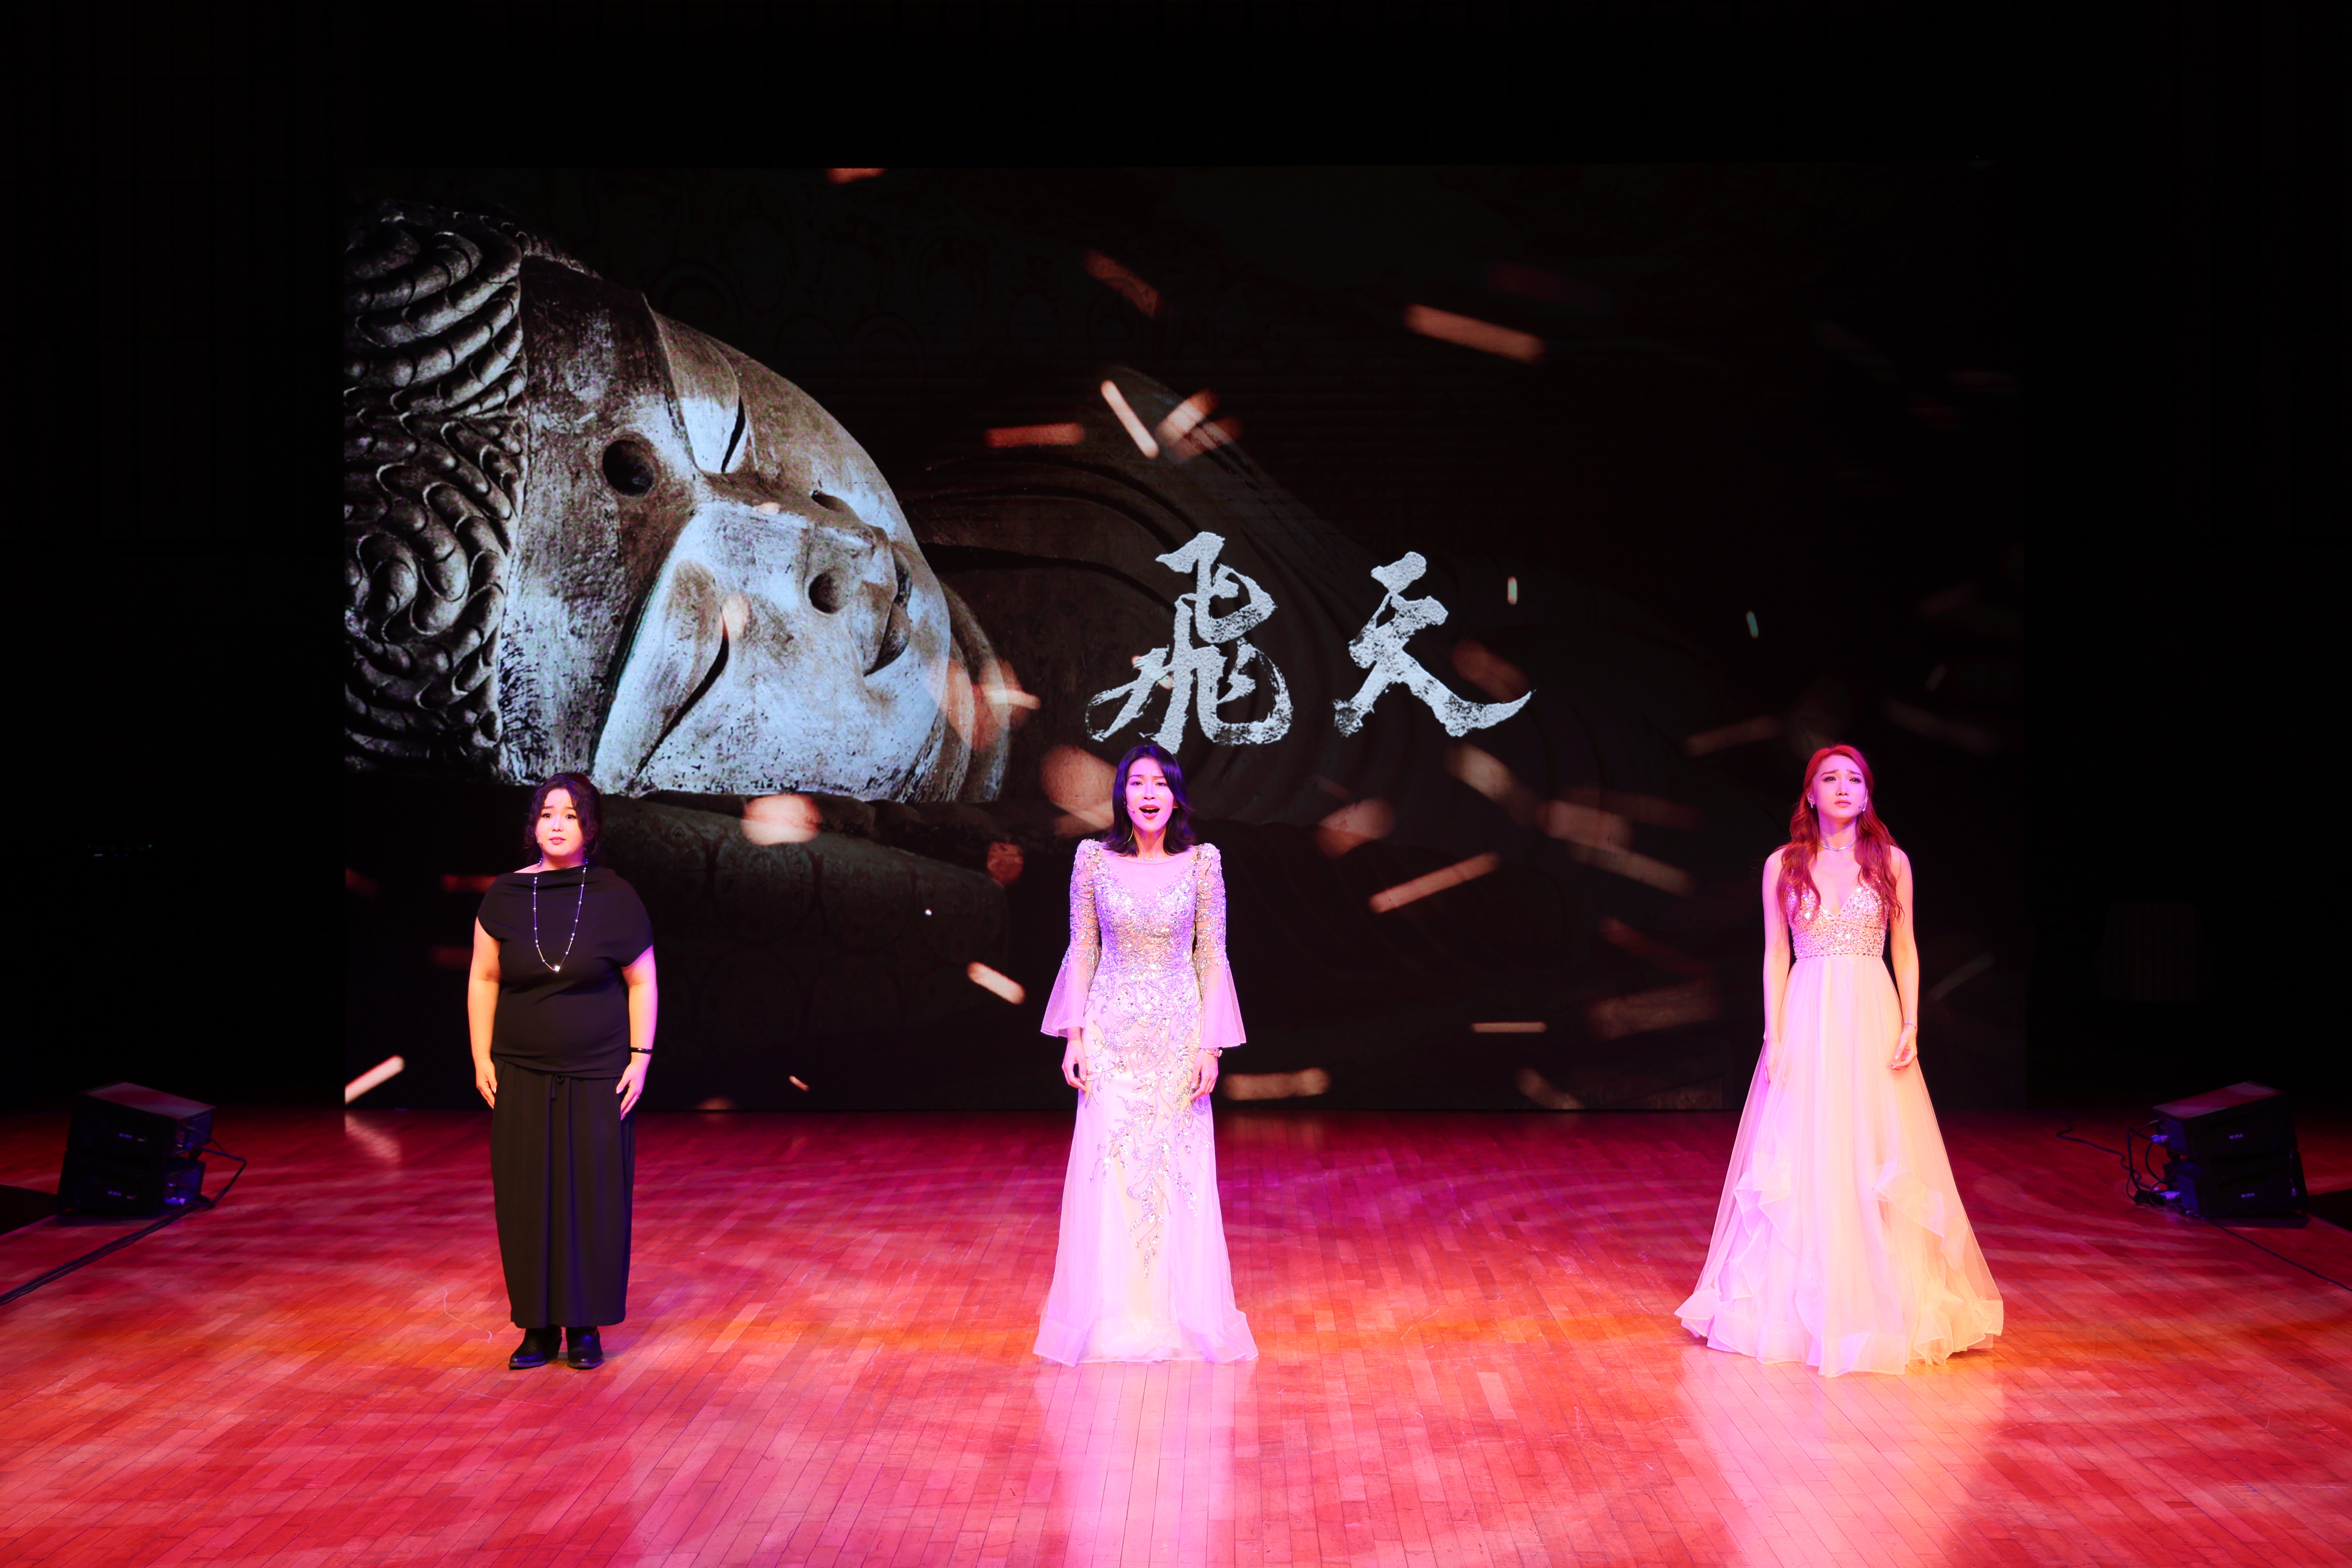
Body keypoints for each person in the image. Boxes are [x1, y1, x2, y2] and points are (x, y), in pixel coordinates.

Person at [1675, 745, 2003, 1376]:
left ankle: (1885, 1297)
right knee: (1807, 1146)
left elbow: (1904, 947)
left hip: (1871, 1010)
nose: (1844, 788)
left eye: (1855, 779)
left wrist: (1911, 1021)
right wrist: (1775, 1034)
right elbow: (1776, 953)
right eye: (1831, 778)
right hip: (1808, 1011)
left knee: (1875, 1144)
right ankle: (1799, 1306)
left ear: (1868, 794)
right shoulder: (1784, 864)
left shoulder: (1891, 862)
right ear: (1811, 793)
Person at [1034, 743, 1258, 1364]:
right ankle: (1112, 1315)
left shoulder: (1203, 864)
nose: (1149, 793)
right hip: (1110, 1037)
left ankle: (1177, 1315)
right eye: (1137, 783)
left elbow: (1211, 955)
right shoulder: (1093, 860)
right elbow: (1083, 947)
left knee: (1175, 1175)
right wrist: (1075, 1036)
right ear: (1123, 796)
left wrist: (1210, 1046)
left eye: (1160, 783)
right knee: (1109, 1172)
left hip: (1178, 1040)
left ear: (1177, 796)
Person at [467, 773, 657, 1370]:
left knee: (593, 1198)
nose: (556, 824)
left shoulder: (615, 895)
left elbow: (642, 981)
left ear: (590, 828)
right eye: (548, 813)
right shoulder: (504, 895)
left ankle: (585, 1326)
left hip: (598, 1072)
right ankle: (538, 1327)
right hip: (521, 1069)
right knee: (527, 1196)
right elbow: (484, 979)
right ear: (534, 824)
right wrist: (481, 1057)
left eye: (571, 815)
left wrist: (640, 1058)